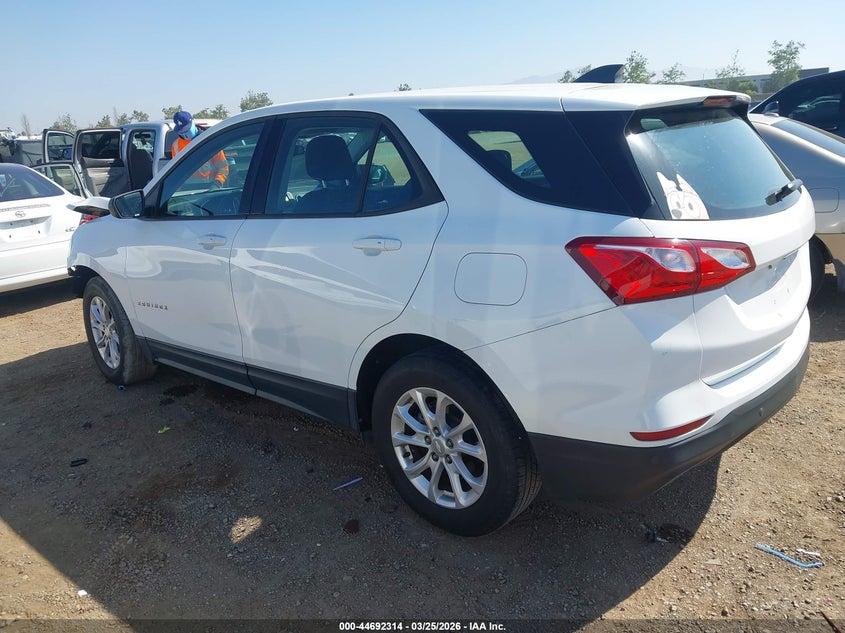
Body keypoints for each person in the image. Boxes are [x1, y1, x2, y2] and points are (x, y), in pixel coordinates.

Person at [171, 110, 228, 188]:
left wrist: (217, 184)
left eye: (186, 129)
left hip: (209, 188)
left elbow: (223, 167)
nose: (184, 133)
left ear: (193, 122)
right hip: (186, 192)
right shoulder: (176, 145)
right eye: (181, 131)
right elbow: (177, 173)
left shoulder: (209, 140)